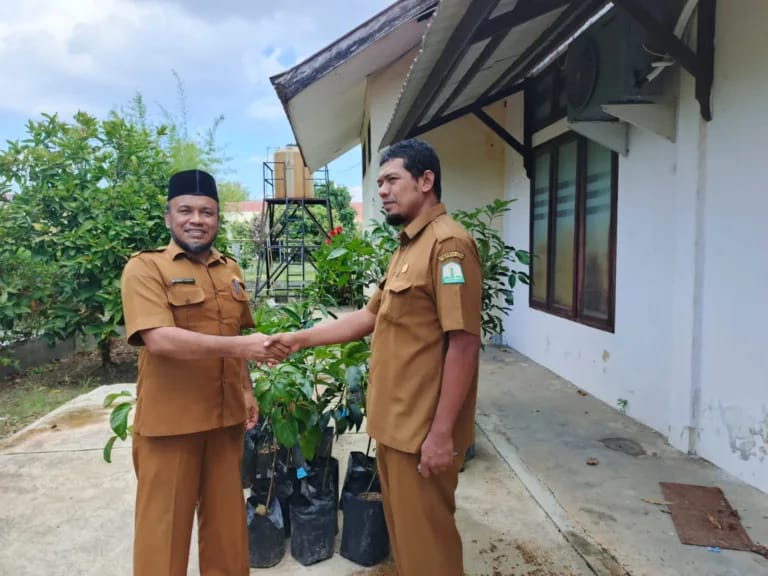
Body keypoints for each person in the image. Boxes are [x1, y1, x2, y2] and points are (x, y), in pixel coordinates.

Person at [266, 139, 482, 575]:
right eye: (379, 182)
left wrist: (441, 435)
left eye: (391, 180)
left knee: (430, 548)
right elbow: (369, 316)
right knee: (407, 540)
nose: (382, 190)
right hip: (395, 425)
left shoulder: (449, 246)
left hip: (422, 432)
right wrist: (299, 338)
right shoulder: (406, 247)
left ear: (426, 181)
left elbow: (463, 344)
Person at [120, 168, 289, 576]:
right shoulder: (145, 269)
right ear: (168, 217)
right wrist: (243, 347)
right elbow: (159, 339)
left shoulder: (228, 269)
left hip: (223, 422)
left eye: (207, 212)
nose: (197, 219)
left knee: (228, 536)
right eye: (186, 210)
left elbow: (234, 333)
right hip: (170, 427)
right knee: (163, 539)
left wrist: (246, 389)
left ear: (217, 219)